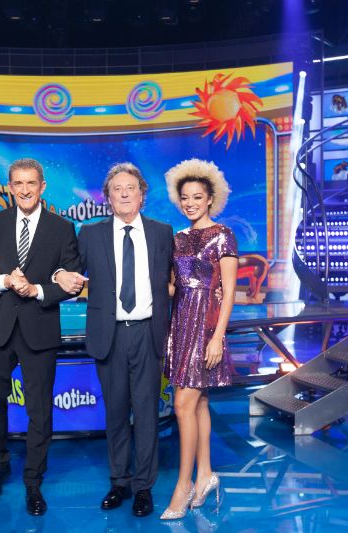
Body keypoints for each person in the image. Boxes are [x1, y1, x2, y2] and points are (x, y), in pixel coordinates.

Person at [55, 162, 173, 517]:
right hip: (110, 334)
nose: (124, 194)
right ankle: (119, 481)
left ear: (142, 195)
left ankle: (143, 487)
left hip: (148, 333)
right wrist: (59, 274)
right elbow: (69, 270)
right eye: (116, 189)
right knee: (117, 411)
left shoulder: (162, 233)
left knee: (147, 412)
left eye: (130, 188)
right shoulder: (90, 234)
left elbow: (177, 279)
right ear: (107, 197)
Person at [0, 158, 80, 516]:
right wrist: (3, 279)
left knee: (39, 408)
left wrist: (37, 290)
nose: (24, 190)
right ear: (10, 187)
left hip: (40, 328)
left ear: (42, 186)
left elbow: (71, 280)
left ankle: (33, 480)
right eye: (17, 183)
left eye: (31, 183)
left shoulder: (62, 228)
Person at [159, 158, 238, 520]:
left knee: (182, 405)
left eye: (197, 197)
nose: (190, 203)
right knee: (199, 402)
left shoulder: (223, 235)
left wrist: (217, 337)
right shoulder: (177, 238)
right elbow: (174, 287)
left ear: (210, 199)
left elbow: (229, 292)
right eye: (185, 198)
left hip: (206, 326)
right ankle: (205, 475)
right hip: (181, 324)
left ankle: (184, 485)